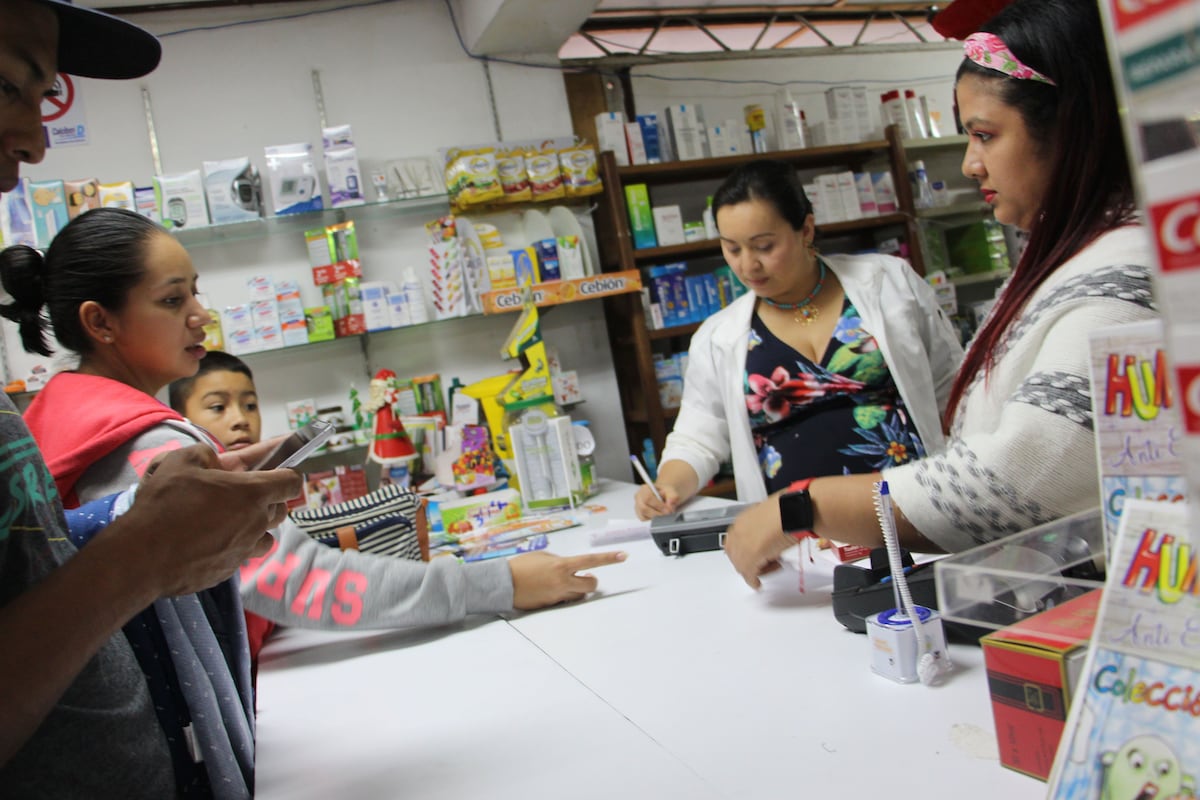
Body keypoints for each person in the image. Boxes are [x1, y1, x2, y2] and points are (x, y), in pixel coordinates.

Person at [723, 0, 1158, 588]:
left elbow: (1019, 478)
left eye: (984, 135)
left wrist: (804, 506)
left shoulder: (1125, 275)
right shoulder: (1062, 257)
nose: (970, 164)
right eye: (731, 248)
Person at [0, 1, 301, 796]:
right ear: (100, 324)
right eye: (6, 87)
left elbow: (24, 566)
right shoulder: (135, 434)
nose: (33, 138)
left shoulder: (65, 407)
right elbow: (298, 580)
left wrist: (133, 526)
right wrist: (143, 550)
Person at [166, 348, 626, 655]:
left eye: (249, 404)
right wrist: (500, 582)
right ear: (182, 421)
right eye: (217, 406)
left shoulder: (243, 487)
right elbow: (310, 581)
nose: (241, 419)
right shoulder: (210, 506)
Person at [634, 159, 963, 520]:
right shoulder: (718, 337)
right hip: (796, 532)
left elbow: (952, 383)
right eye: (732, 248)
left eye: (763, 246)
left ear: (806, 229)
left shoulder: (889, 282)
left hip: (911, 510)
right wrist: (668, 486)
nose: (747, 266)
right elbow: (699, 436)